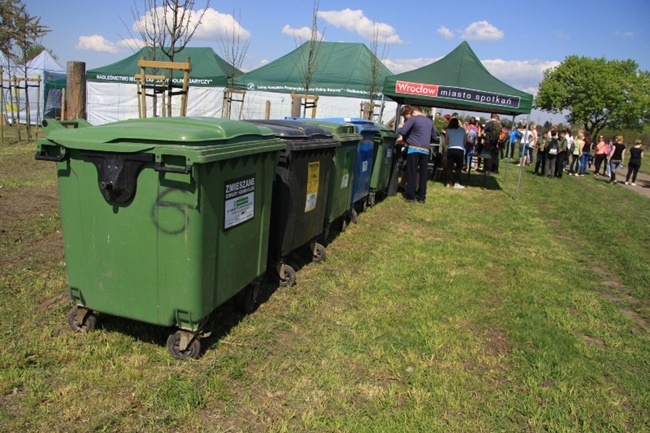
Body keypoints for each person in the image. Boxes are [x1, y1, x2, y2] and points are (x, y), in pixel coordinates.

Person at [397, 105, 439, 203]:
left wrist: (400, 127)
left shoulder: (414, 119)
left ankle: (410, 196)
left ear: (413, 112)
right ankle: (421, 197)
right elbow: (435, 137)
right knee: (423, 174)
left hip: (413, 149)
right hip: (425, 150)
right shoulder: (429, 121)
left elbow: (403, 131)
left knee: (412, 172)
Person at [444, 117, 467, 189]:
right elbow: (465, 141)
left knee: (449, 167)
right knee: (459, 167)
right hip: (459, 149)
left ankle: (448, 182)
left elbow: (446, 142)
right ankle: (456, 183)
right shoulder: (462, 130)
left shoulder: (448, 130)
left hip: (451, 149)